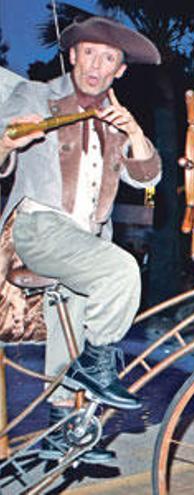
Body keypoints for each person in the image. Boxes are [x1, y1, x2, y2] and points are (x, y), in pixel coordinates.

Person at [0, 16, 162, 463]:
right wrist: (11, 142)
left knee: (73, 315)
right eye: (89, 52)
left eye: (108, 58)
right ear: (72, 55)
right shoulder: (35, 95)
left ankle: (64, 430)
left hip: (85, 239)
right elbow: (1, 142)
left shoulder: (116, 119)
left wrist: (133, 134)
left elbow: (148, 175)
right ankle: (96, 367)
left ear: (120, 70)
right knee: (120, 269)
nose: (96, 64)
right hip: (39, 227)